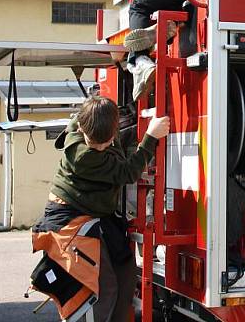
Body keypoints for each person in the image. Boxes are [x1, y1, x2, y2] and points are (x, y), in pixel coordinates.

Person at [33, 96, 170, 322]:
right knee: (103, 287)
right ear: (81, 128)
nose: (100, 147)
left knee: (126, 274)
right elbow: (128, 173)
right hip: (71, 218)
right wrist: (150, 138)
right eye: (94, 142)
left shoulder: (91, 120)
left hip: (94, 214)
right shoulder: (83, 156)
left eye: (105, 142)